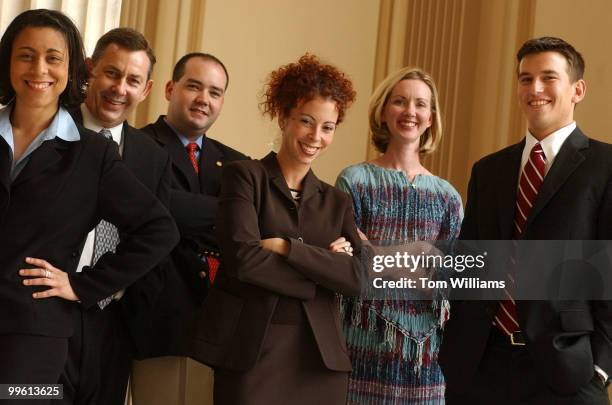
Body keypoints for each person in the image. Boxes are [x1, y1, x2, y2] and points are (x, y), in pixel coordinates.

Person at [0, 8, 178, 402]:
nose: (39, 68)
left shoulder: (92, 153)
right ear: (8, 62)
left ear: (71, 68)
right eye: (26, 55)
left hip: (34, 341)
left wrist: (81, 285)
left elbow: (159, 229)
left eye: (53, 57)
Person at [439, 37, 612, 405]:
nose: (535, 89)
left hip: (567, 372)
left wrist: (601, 367)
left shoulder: (605, 166)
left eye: (548, 77)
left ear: (577, 89)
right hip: (480, 367)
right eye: (525, 78)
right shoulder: (488, 170)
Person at [190, 54, 363, 405]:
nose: (316, 136)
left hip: (320, 362)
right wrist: (323, 272)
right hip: (252, 350)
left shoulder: (338, 201)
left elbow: (357, 279)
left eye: (328, 127)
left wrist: (286, 248)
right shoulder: (244, 177)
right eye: (306, 121)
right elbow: (242, 259)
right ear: (283, 117)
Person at [336, 67, 463, 404]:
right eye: (400, 102)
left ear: (431, 117)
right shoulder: (354, 181)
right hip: (362, 345)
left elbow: (450, 277)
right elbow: (353, 261)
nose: (410, 112)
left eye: (421, 104)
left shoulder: (448, 196)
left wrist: (380, 256)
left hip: (427, 357)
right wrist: (418, 254)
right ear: (383, 111)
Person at [60, 27, 172, 405]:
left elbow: (157, 242)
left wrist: (130, 305)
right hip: (47, 313)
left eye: (133, 80)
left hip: (115, 324)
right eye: (112, 73)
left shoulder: (153, 156)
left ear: (147, 89)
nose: (119, 88)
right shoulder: (53, 131)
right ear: (90, 69)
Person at [137, 53, 248, 404]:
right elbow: (158, 213)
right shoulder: (137, 146)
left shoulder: (237, 163)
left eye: (215, 92)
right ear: (170, 88)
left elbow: (249, 231)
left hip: (220, 326)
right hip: (160, 321)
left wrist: (185, 212)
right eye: (194, 86)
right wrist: (231, 213)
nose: (204, 99)